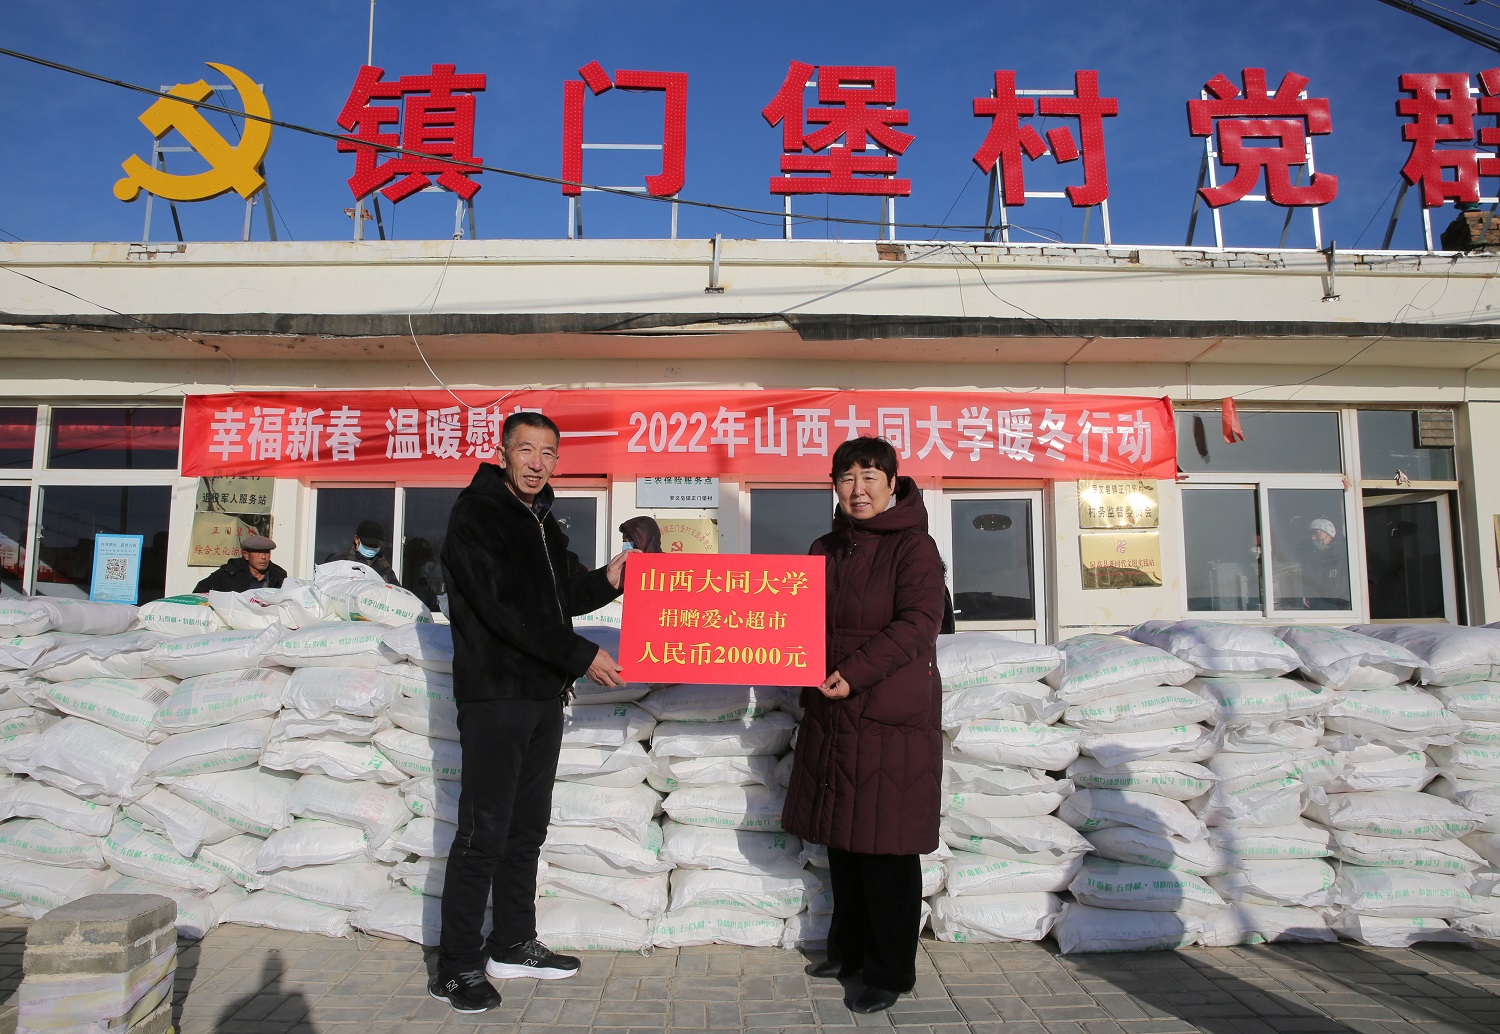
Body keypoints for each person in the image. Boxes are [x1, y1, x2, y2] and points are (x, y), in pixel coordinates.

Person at [429, 411, 629, 1014]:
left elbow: (564, 595)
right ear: (503, 453)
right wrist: (580, 654)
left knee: (526, 828)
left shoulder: (542, 520)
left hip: (542, 694)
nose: (537, 464)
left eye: (548, 453)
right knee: (483, 831)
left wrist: (611, 579)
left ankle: (513, 943)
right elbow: (505, 609)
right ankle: (457, 964)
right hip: (496, 696)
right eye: (526, 450)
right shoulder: (478, 515)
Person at [782, 436, 946, 1015]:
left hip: (887, 716)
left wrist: (853, 673)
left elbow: (919, 622)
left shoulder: (913, 547)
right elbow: (797, 619)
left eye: (870, 477)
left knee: (886, 847)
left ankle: (890, 970)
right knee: (844, 839)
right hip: (833, 709)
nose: (858, 489)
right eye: (847, 477)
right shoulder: (824, 548)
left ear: (892, 484)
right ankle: (848, 951)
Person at [193, 534, 285, 592]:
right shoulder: (230, 572)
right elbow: (200, 592)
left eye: (267, 552)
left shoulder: (278, 575)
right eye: (258, 552)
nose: (263, 557)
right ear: (246, 555)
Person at [1301, 516, 1350, 610]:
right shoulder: (1311, 557)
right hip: (1319, 607)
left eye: (1316, 532)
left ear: (1329, 532)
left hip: (1342, 608)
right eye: (1311, 534)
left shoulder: (1345, 553)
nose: (1313, 537)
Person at [330, 519, 399, 584]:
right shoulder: (339, 561)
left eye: (375, 545)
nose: (371, 547)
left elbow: (395, 588)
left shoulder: (384, 567)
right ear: (356, 539)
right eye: (368, 544)